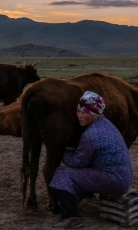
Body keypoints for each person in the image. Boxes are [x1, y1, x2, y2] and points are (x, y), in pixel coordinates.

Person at [49, 91, 133, 229]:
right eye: (78, 110)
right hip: (124, 177)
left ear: (95, 113)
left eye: (85, 112)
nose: (80, 115)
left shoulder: (91, 134)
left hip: (114, 180)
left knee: (63, 173)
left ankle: (72, 217)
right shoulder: (105, 124)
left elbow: (78, 162)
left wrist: (61, 152)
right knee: (79, 173)